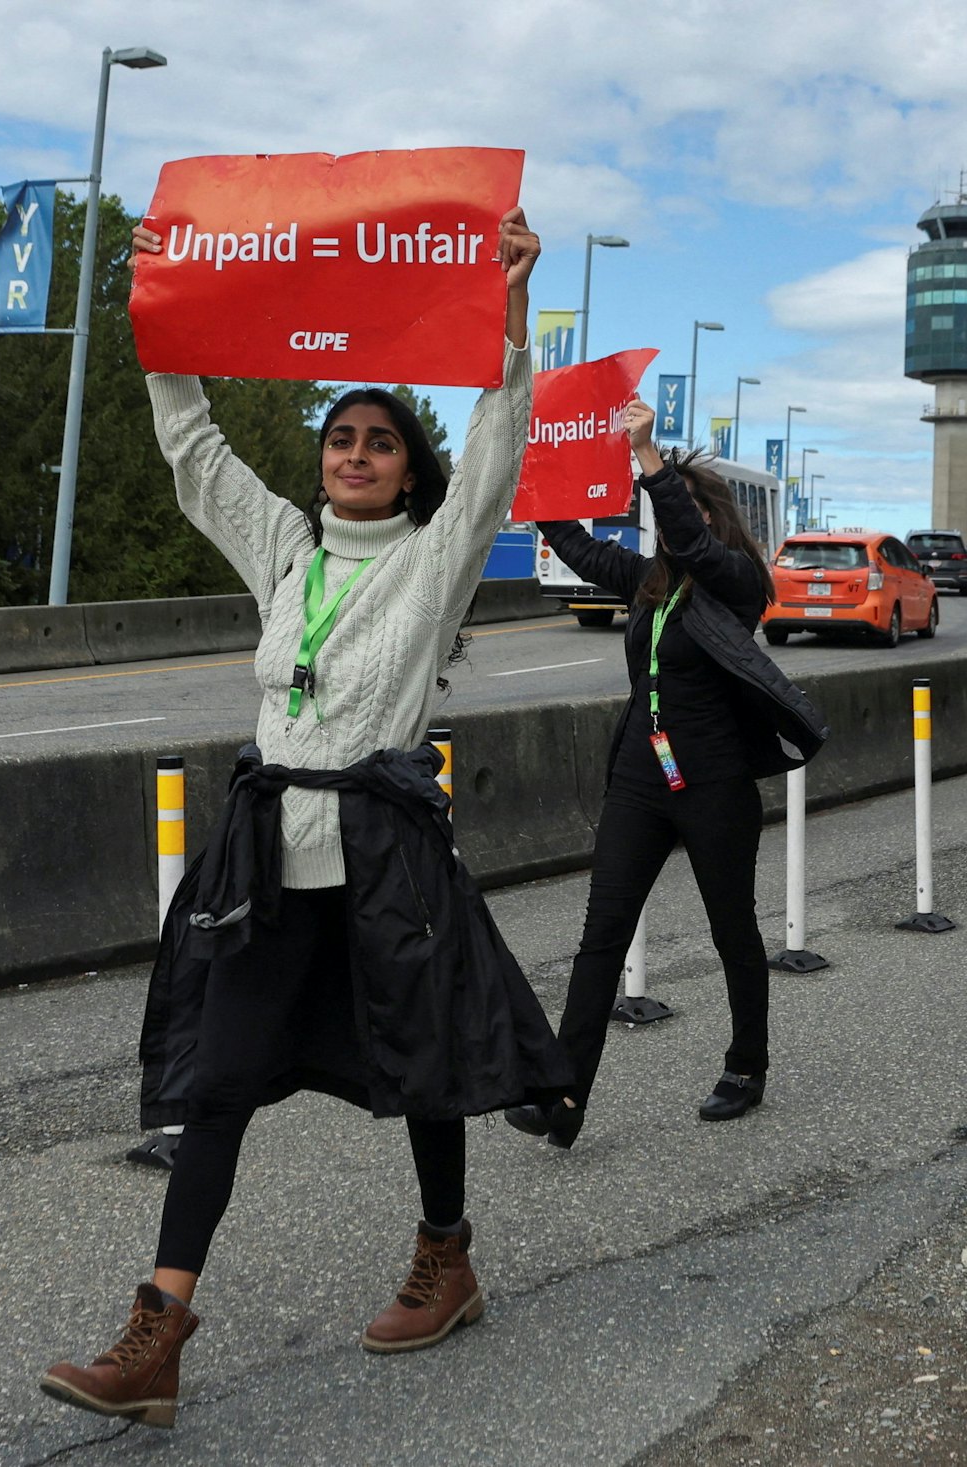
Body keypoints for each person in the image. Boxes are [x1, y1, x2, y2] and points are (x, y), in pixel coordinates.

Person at [41, 209, 574, 1430]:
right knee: (220, 1079)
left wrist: (506, 303)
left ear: (405, 467)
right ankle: (158, 1335)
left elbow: (498, 443)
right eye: (342, 436)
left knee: (422, 1061)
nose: (356, 454)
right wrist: (160, 313)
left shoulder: (434, 561)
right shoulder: (285, 551)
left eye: (381, 442)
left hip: (383, 854)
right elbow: (194, 450)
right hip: (271, 859)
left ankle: (448, 1258)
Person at [505, 402, 826, 1148]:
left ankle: (747, 1067)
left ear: (705, 516)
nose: (668, 531)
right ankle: (564, 1097)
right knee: (601, 935)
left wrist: (650, 458)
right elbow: (580, 550)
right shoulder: (650, 582)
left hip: (714, 784)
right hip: (640, 780)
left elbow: (691, 541)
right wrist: (542, 489)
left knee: (732, 931)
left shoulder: (737, 582)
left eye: (679, 513)